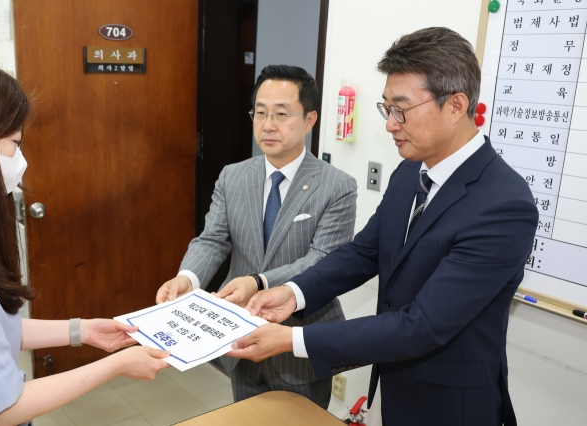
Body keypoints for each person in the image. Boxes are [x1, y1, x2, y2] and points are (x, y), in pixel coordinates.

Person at [227, 28, 538, 426]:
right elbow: (364, 252)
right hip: (390, 389)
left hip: (450, 406)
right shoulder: (410, 172)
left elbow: (422, 325)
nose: (391, 124)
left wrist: (292, 339)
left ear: (456, 105)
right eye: (386, 107)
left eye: (402, 109)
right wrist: (294, 293)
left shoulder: (504, 204)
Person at [0, 55, 170, 426]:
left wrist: (82, 330)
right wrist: (116, 365)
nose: (21, 160)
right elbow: (0, 410)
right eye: (14, 143)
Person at [156, 65, 357, 408]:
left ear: (310, 120)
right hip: (239, 335)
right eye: (260, 113)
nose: (267, 125)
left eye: (281, 114)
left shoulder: (337, 185)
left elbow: (322, 260)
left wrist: (259, 281)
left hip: (298, 343)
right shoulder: (233, 177)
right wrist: (188, 277)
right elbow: (212, 240)